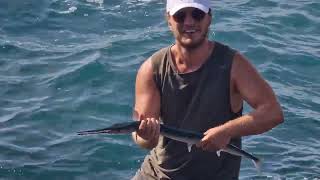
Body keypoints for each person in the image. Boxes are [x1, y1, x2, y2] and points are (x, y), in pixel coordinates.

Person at [131, 0, 284, 179]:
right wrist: (145, 135)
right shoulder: (151, 69)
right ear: (168, 19)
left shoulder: (233, 65)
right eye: (180, 15)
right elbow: (145, 141)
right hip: (157, 174)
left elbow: (273, 113)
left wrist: (226, 131)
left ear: (209, 18)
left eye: (197, 14)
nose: (189, 22)